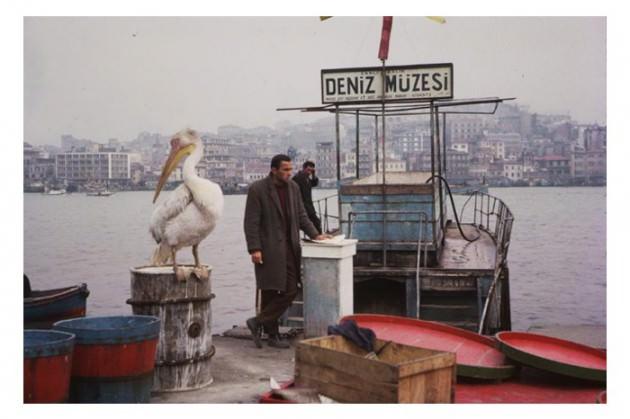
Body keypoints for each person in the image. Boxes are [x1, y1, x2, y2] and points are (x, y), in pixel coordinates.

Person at [244, 154, 329, 348]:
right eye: (285, 170)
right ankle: (272, 336)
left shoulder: (293, 188)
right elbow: (251, 222)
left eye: (291, 170)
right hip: (268, 249)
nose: (289, 173)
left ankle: (258, 321)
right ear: (274, 170)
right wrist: (254, 248)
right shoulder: (257, 190)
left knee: (291, 289)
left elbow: (301, 215)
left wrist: (316, 235)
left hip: (290, 247)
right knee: (270, 291)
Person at [292, 161, 322, 234]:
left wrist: (313, 174)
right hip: (302, 206)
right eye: (308, 170)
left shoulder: (307, 178)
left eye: (311, 170)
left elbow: (314, 183)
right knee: (314, 222)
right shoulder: (297, 178)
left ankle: (318, 236)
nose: (309, 172)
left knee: (316, 222)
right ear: (304, 168)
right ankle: (318, 236)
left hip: (309, 206)